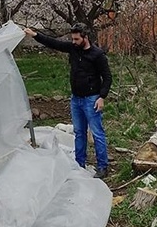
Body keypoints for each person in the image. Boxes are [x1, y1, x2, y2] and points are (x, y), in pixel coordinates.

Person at [24, 23, 112, 178]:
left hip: (91, 99)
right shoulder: (73, 49)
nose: (74, 42)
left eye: (77, 39)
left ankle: (103, 166)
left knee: (97, 133)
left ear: (85, 37)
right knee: (79, 132)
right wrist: (35, 35)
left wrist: (102, 97)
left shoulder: (97, 55)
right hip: (76, 99)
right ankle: (79, 164)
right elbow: (54, 43)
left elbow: (107, 77)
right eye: (72, 39)